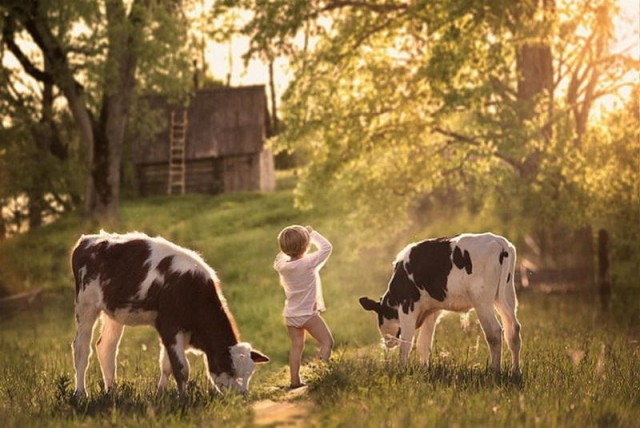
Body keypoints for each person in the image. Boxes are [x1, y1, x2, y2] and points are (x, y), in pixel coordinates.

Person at [274, 225, 334, 389]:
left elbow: (280, 257)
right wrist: (311, 233)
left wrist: (288, 245)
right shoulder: (308, 262)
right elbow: (327, 247)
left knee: (296, 347)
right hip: (308, 315)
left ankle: (294, 381)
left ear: (284, 249)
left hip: (291, 316)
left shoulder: (282, 266)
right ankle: (320, 375)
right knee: (327, 342)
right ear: (306, 245)